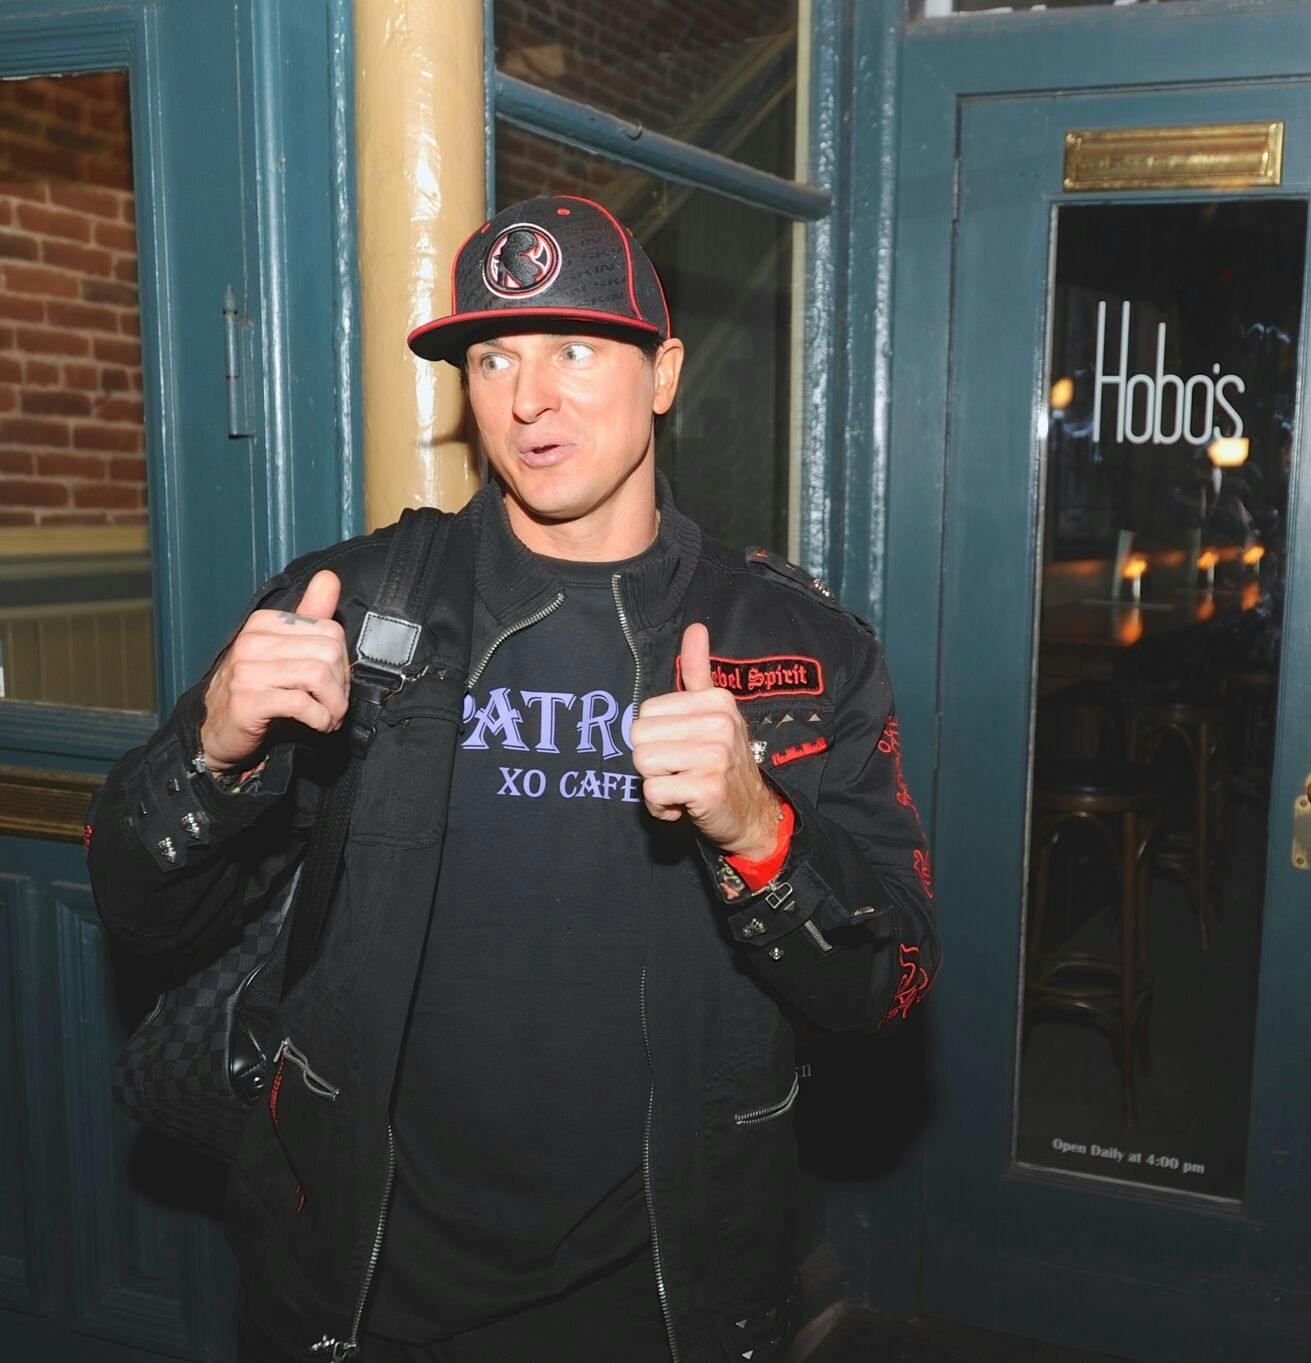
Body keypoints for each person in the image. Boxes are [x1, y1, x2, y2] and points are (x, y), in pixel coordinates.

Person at [85, 194, 939, 1363]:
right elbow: (141, 911)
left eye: (575, 348)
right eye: (493, 357)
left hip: (672, 1306)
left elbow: (891, 986)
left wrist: (756, 826)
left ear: (665, 373)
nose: (529, 397)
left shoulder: (799, 650)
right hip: (362, 1297)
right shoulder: (357, 602)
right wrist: (212, 751)